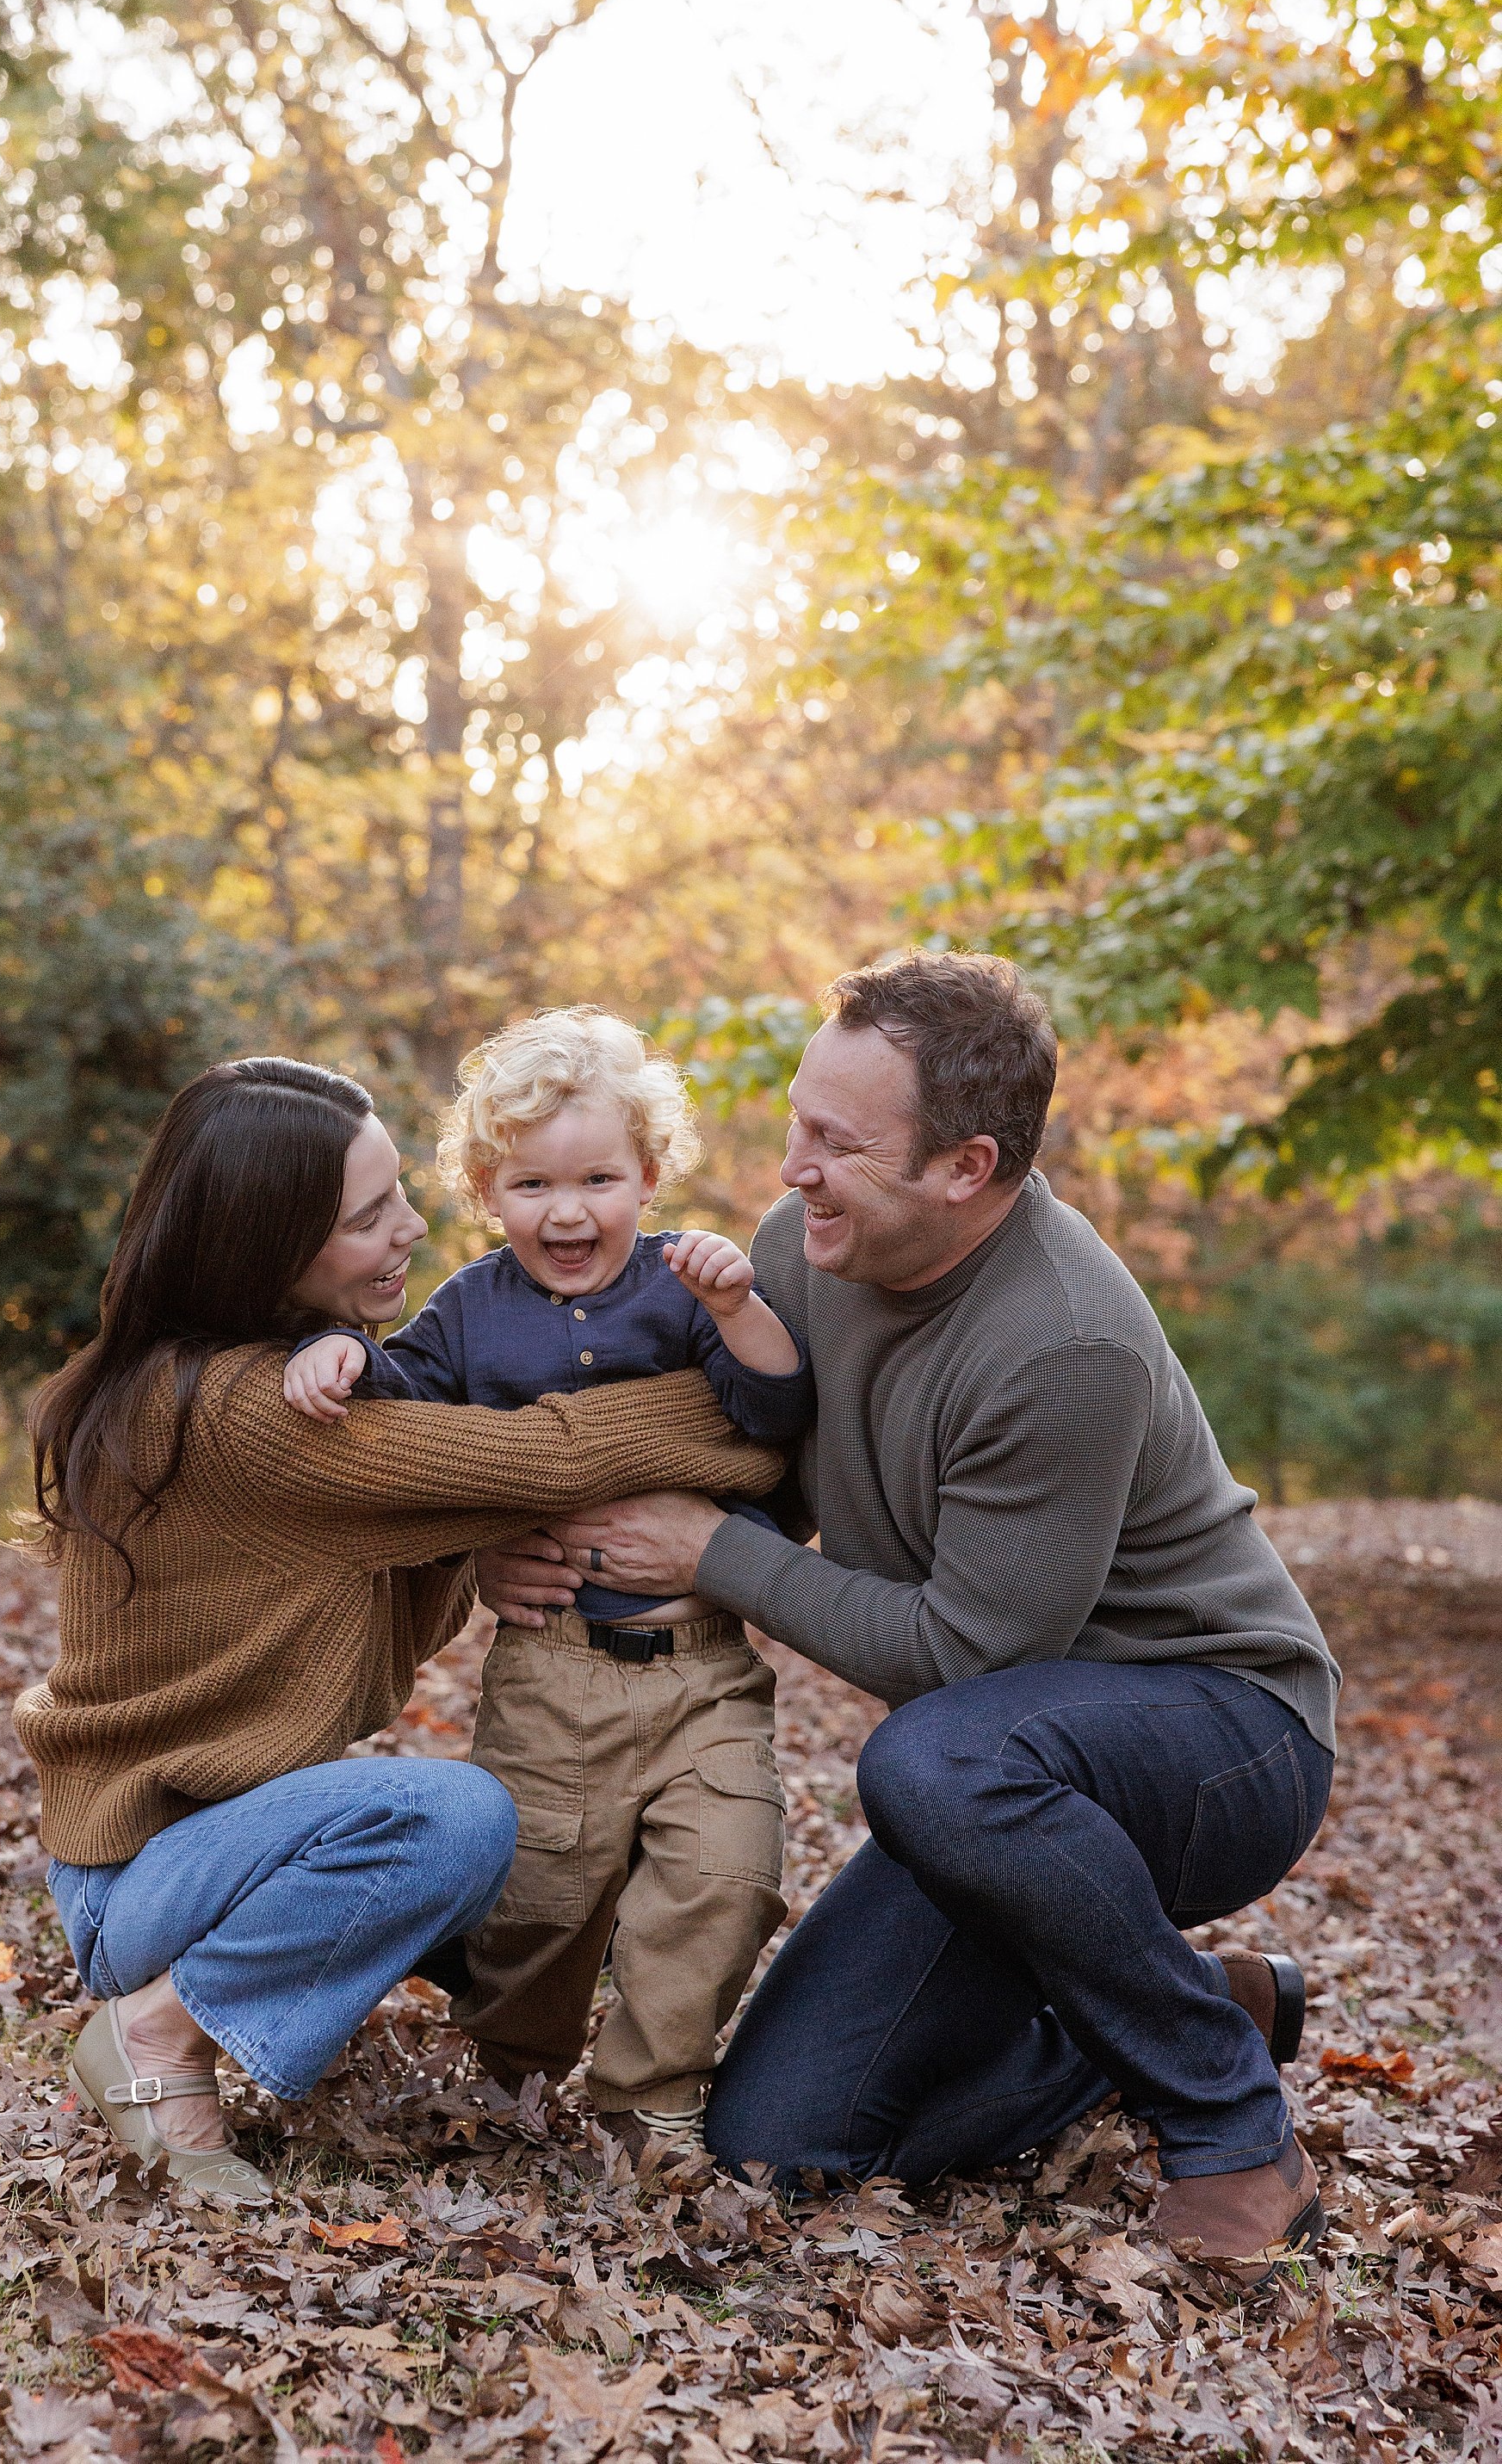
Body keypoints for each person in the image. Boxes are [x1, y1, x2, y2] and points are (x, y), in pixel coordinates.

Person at [478, 954, 1343, 2275]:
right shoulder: (800, 1255)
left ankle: (1225, 2118)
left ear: (965, 1165)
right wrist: (525, 1542)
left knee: (928, 1756)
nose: (790, 1168)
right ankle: (1146, 1997)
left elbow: (966, 1657)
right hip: (1002, 1776)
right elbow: (741, 1472)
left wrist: (713, 1553)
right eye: (795, 1122)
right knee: (780, 2142)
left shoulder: (1063, 1340)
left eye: (836, 1142)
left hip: (1222, 1730)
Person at [16, 1055, 782, 2205]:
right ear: (271, 1247)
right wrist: (742, 1415)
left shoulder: (270, 1377)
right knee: (463, 1816)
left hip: (211, 1846)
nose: (413, 1227)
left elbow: (375, 1554)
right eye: (371, 1215)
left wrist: (471, 1551)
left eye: (398, 1196)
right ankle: (159, 2033)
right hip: (148, 1877)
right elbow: (548, 1456)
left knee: (554, 1847)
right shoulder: (253, 1411)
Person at [282, 1010, 812, 2158]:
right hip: (553, 1670)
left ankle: (651, 2094)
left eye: (598, 1178)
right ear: (486, 1187)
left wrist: (738, 1308)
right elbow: (402, 1408)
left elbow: (777, 1415)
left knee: (727, 1874)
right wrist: (342, 1357)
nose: (567, 1211)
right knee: (540, 1899)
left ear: (650, 1174)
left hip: (704, 1665)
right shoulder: (472, 1306)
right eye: (530, 1183)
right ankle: (516, 2065)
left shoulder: (686, 1286)